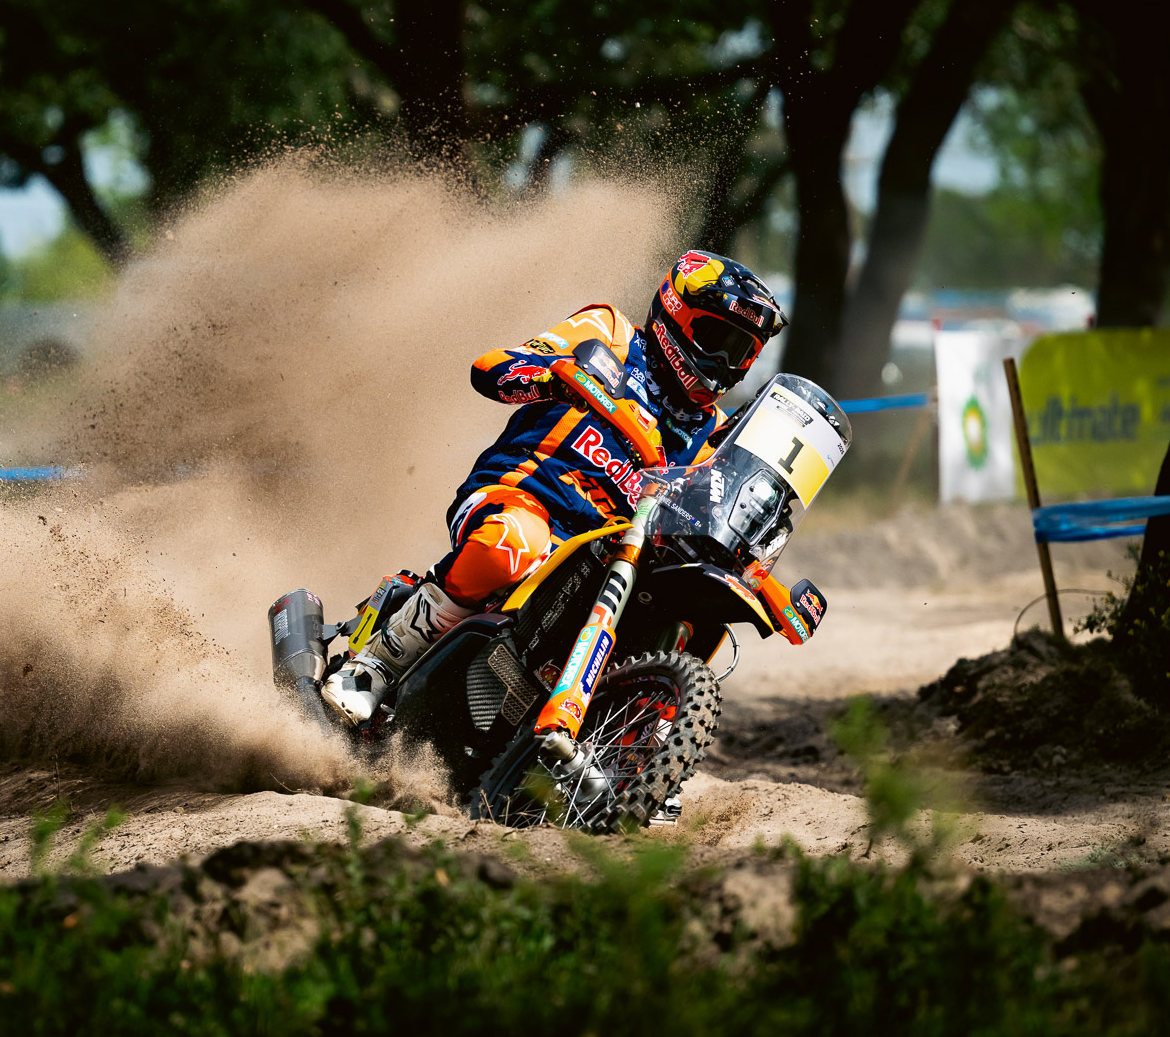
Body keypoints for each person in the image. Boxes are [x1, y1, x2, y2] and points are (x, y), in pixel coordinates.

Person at [322, 250, 824, 724]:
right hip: (521, 497)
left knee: (694, 619)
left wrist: (761, 579)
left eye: (743, 351)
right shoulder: (611, 334)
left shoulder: (714, 435)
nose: (725, 361)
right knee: (511, 546)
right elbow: (492, 368)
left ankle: (632, 746)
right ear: (676, 314)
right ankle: (375, 666)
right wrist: (555, 376)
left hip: (606, 556)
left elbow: (712, 527)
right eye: (717, 337)